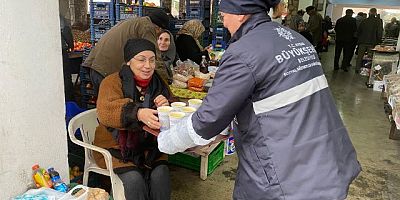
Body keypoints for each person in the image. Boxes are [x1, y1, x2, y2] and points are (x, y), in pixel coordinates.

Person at [157, 0, 361, 199]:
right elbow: (273, 97)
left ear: (241, 12)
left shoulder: (244, 51)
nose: (224, 22)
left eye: (224, 15)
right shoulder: (298, 40)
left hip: (287, 177)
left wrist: (165, 141)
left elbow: (208, 120)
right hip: (330, 162)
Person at [93, 39, 171, 200]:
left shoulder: (158, 82)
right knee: (134, 180)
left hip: (150, 147)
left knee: (161, 175)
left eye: (152, 60)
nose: (148, 66)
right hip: (116, 149)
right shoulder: (112, 82)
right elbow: (105, 111)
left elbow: (172, 106)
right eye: (141, 60)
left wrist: (167, 104)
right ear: (128, 61)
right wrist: (137, 113)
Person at [82, 10, 170, 96]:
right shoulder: (147, 27)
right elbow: (154, 56)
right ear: (158, 28)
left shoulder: (135, 21)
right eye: (160, 33)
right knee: (111, 105)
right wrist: (166, 84)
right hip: (105, 71)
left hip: (95, 66)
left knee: (105, 104)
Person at [356, 8, 383, 73]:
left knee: (360, 56)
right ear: (375, 13)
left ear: (369, 13)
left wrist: (359, 39)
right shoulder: (378, 21)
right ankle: (368, 70)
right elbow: (379, 32)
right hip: (372, 42)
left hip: (362, 41)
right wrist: (379, 40)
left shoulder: (364, 21)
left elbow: (359, 31)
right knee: (370, 57)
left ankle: (357, 69)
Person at [60, 14, 75, 102]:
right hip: (61, 51)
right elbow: (66, 32)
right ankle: (69, 100)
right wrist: (71, 45)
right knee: (66, 77)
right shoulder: (58, 17)